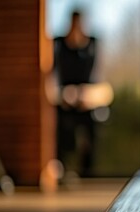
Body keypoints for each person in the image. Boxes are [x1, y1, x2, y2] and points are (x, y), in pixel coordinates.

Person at [49, 11, 112, 178]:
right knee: (58, 122)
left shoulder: (94, 45)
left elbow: (105, 87)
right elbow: (50, 81)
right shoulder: (57, 45)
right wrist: (64, 94)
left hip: (88, 103)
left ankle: (88, 173)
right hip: (64, 101)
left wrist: (88, 95)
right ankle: (62, 170)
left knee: (95, 119)